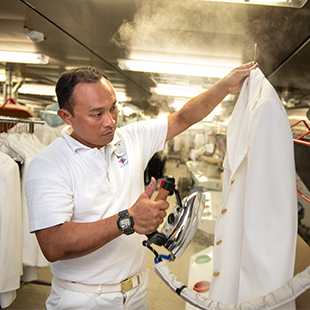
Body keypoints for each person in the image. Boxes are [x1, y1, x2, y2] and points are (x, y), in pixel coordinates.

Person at [25, 61, 258, 310]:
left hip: (136, 292)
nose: (110, 121)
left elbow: (182, 118)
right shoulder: (49, 163)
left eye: (113, 108)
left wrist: (224, 86)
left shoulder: (129, 139)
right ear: (66, 116)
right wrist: (127, 220)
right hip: (85, 298)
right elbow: (53, 244)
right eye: (97, 114)